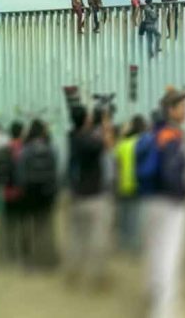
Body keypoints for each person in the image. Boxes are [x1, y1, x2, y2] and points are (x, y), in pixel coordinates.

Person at [143, 86, 185, 318]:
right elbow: (172, 173)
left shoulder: (155, 132)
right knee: (169, 254)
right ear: (171, 110)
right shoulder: (171, 136)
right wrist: (183, 192)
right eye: (182, 106)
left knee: (156, 251)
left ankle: (155, 296)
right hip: (170, 202)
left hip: (153, 198)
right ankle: (164, 310)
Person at [66, 105, 115, 289]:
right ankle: (98, 277)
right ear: (86, 120)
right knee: (99, 238)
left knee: (76, 237)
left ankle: (73, 272)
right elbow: (109, 144)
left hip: (77, 195)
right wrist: (106, 125)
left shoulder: (72, 137)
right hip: (94, 196)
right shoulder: (89, 141)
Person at [16, 119, 59, 270]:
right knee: (44, 225)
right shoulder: (51, 149)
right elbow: (55, 173)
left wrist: (22, 189)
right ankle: (46, 258)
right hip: (46, 193)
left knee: (28, 226)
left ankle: (28, 261)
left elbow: (20, 174)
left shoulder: (25, 150)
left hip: (29, 193)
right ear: (43, 132)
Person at [114, 115, 146, 254]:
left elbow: (117, 164)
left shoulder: (121, 144)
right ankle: (135, 244)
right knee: (135, 215)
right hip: (137, 183)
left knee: (123, 215)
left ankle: (123, 243)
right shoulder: (141, 143)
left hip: (122, 184)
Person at [0, 121, 23, 264]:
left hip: (7, 191)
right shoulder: (23, 149)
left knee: (6, 222)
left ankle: (5, 252)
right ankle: (20, 251)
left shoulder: (4, 150)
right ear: (21, 132)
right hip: (21, 192)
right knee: (21, 222)